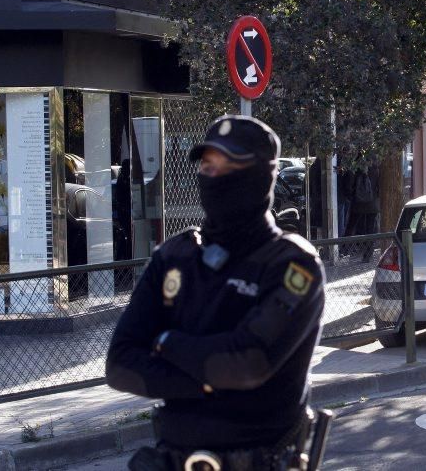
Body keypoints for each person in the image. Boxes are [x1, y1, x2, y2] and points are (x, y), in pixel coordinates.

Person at [106, 115, 326, 471]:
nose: (214, 177)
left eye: (229, 166)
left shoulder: (292, 266)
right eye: (207, 166)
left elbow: (247, 362)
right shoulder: (175, 256)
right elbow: (120, 365)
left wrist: (165, 342)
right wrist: (210, 382)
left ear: (261, 176)